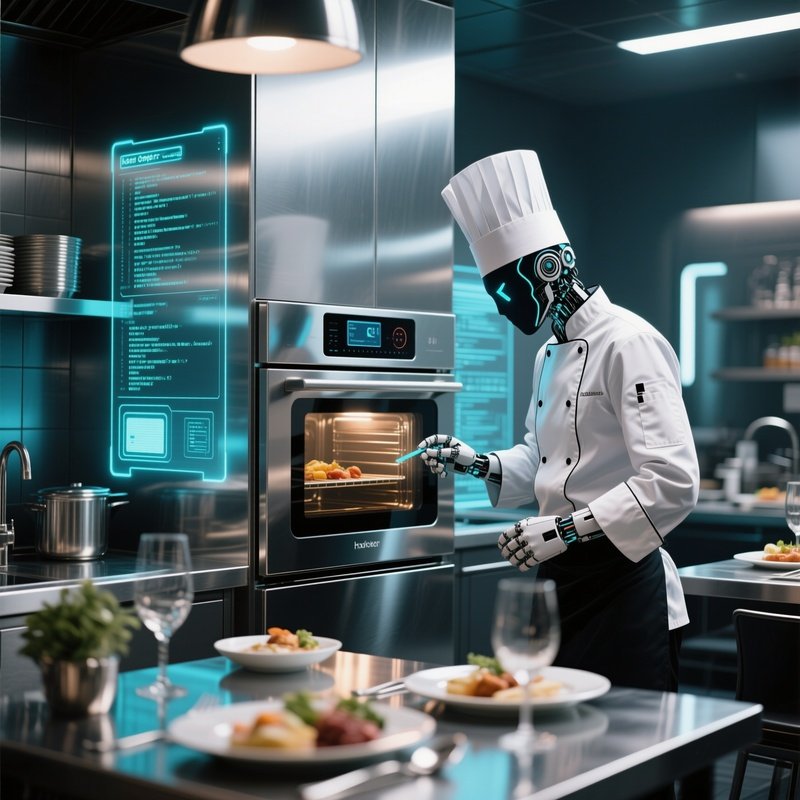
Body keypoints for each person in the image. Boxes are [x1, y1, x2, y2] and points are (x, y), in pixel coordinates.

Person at [418, 149, 699, 696]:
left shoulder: (630, 342)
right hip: (559, 581)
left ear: (550, 267)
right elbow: (544, 460)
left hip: (624, 587)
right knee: (555, 734)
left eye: (505, 289)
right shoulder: (548, 354)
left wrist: (563, 528)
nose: (501, 307)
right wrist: (473, 462)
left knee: (628, 745)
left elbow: (672, 481)